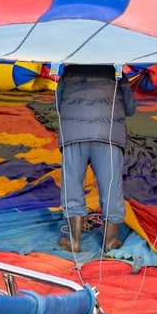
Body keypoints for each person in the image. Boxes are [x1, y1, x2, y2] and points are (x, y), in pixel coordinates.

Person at [56, 64, 136, 253]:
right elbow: (130, 108)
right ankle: (110, 241)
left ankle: (74, 241)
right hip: (108, 136)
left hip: (73, 135)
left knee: (72, 186)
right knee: (111, 188)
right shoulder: (116, 72)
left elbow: (58, 105)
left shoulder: (69, 72)